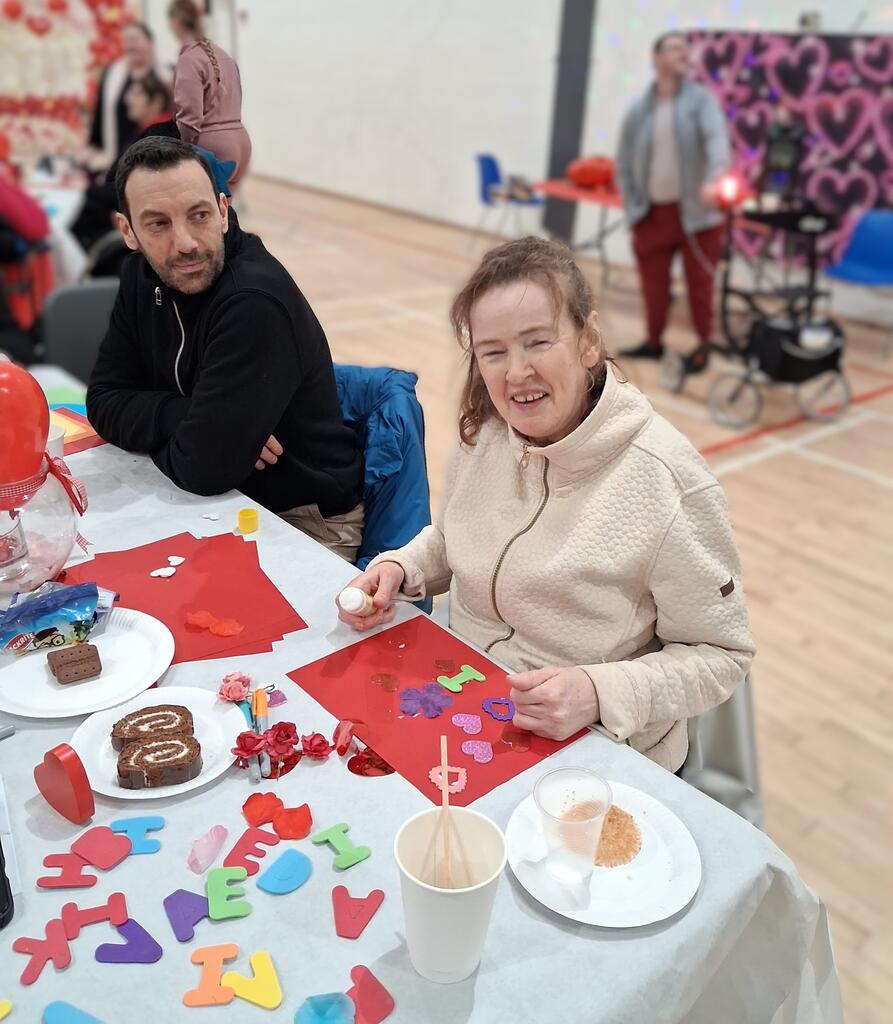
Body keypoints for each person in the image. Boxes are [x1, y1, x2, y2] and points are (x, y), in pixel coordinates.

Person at [337, 237, 754, 773]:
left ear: (588, 341)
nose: (516, 373)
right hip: (464, 700)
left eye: (537, 342)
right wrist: (402, 567)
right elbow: (457, 535)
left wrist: (598, 692)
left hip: (595, 751)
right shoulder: (488, 431)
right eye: (493, 352)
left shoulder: (668, 483)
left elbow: (722, 655)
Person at [86, 138, 364, 560]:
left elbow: (203, 469)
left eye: (198, 215)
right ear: (129, 232)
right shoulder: (140, 277)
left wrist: (202, 435)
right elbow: (104, 400)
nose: (185, 243)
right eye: (158, 224)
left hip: (301, 522)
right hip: (212, 505)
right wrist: (191, 416)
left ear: (222, 210)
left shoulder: (253, 301)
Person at [615, 31, 731, 375]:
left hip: (698, 216)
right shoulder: (639, 111)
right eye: (674, 47)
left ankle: (704, 346)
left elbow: (717, 143)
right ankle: (653, 342)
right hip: (652, 215)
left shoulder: (701, 101)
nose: (683, 52)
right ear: (656, 58)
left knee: (700, 285)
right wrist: (634, 207)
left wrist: (714, 178)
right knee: (653, 285)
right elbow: (623, 164)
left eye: (685, 48)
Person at [75, 72, 178, 254]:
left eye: (136, 94)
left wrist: (90, 189)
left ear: (156, 101)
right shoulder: (146, 131)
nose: (128, 99)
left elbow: (129, 184)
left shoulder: (156, 137)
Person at [167, 0, 252, 184]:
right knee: (224, 203)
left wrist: (178, 150)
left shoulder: (189, 59)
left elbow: (190, 118)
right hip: (241, 142)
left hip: (212, 147)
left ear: (174, 22)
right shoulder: (223, 54)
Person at [84, 22, 169, 173]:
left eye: (134, 40)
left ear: (150, 43)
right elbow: (100, 115)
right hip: (120, 149)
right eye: (126, 41)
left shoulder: (167, 76)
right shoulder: (112, 74)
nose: (130, 46)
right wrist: (93, 147)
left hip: (155, 148)